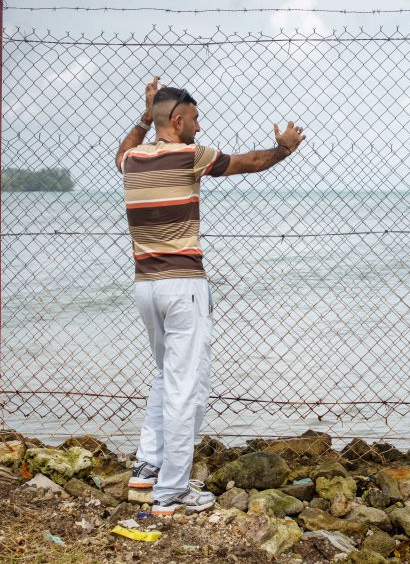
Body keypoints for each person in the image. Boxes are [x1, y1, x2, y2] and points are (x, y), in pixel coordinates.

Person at [115, 77, 306, 515]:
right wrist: (286, 148)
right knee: (187, 387)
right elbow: (251, 162)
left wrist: (145, 116)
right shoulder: (189, 156)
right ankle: (171, 492)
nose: (200, 128)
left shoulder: (132, 159)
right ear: (178, 121)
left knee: (165, 375)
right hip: (184, 287)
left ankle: (147, 468)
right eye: (195, 120)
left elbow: (121, 150)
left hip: (145, 287)